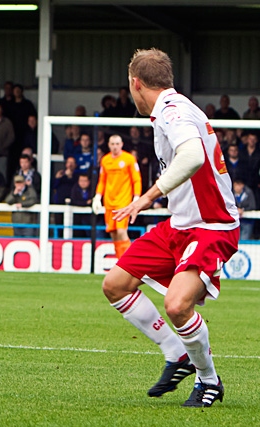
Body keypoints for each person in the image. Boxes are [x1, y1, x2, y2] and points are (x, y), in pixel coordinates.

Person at [103, 48, 239, 408]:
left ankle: (209, 381)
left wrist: (147, 196)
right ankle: (176, 352)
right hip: (180, 224)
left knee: (177, 305)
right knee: (115, 285)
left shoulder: (172, 111)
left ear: (136, 83)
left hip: (211, 226)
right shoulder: (176, 108)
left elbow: (193, 156)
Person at [92, 134, 141, 258]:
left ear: (122, 144)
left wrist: (136, 197)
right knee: (113, 233)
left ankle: (130, 263)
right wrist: (97, 197)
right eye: (112, 144)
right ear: (108, 145)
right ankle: (120, 262)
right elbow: (102, 180)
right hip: (109, 202)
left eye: (117, 144)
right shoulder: (105, 160)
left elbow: (136, 179)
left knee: (121, 231)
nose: (115, 147)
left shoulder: (129, 159)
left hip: (123, 201)